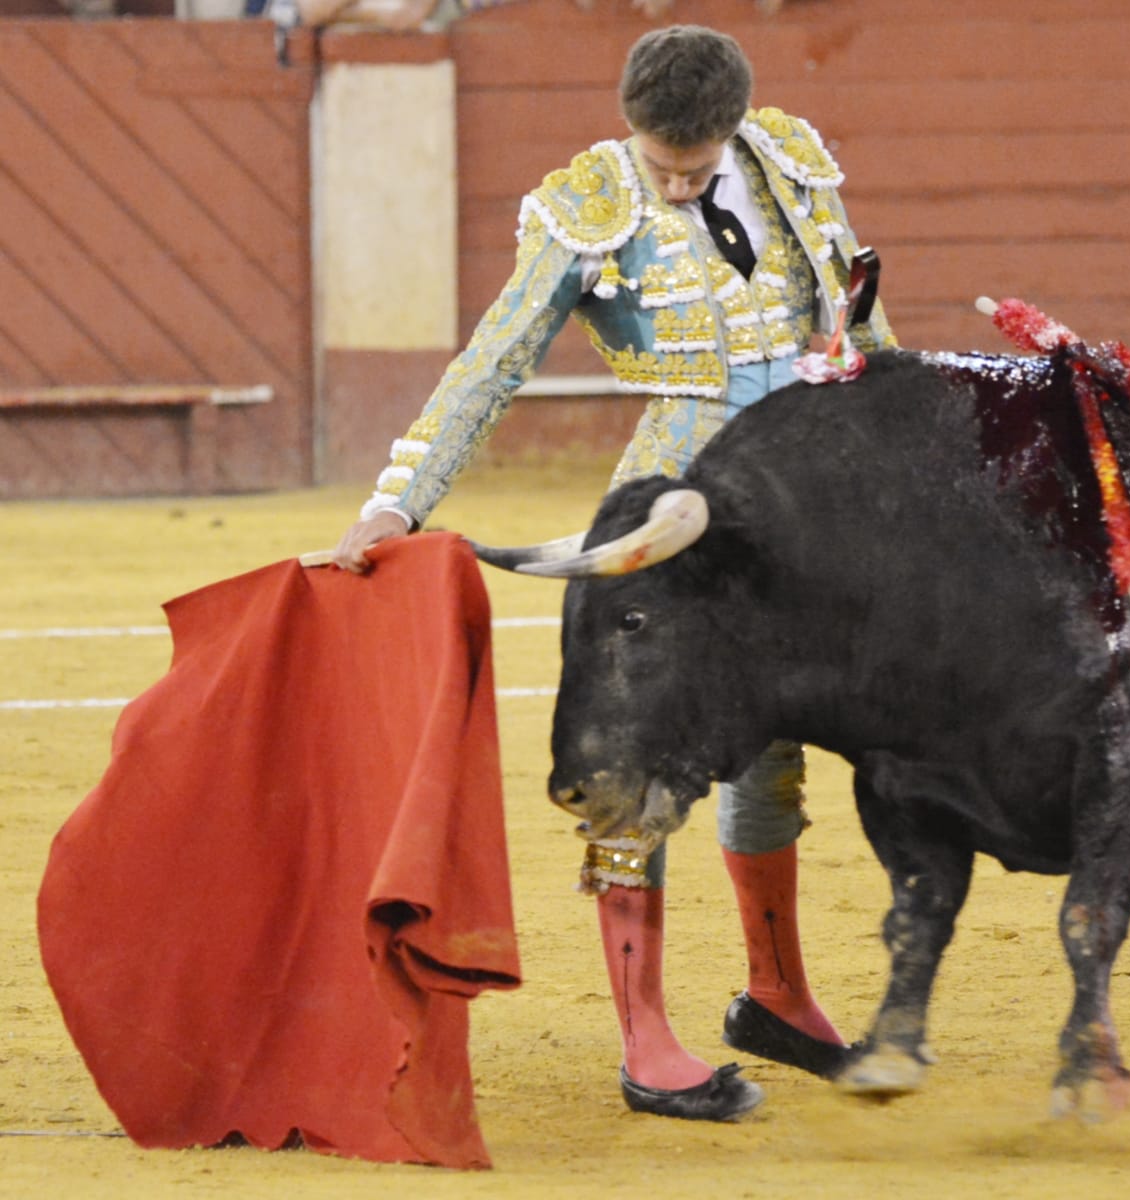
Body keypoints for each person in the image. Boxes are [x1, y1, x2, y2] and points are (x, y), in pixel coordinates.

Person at [330, 24, 895, 1121]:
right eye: (660, 165)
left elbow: (863, 325)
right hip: (666, 507)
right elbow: (493, 362)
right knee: (638, 761)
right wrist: (398, 499)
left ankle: (776, 996)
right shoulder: (587, 204)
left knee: (773, 750)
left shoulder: (789, 162)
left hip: (804, 494)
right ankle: (645, 1040)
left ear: (733, 128)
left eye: (695, 166)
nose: (676, 186)